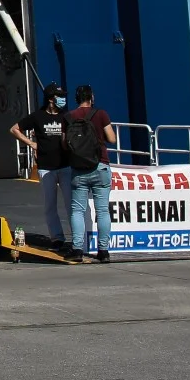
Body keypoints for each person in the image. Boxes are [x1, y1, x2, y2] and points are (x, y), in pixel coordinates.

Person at [10, 85, 73, 251]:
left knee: (71, 204)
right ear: (51, 99)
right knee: (50, 205)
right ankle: (57, 238)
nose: (63, 99)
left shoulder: (66, 116)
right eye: (59, 96)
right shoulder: (37, 116)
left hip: (66, 166)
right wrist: (31, 144)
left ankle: (78, 239)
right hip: (46, 168)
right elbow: (14, 129)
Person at [63, 85, 118, 263]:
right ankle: (103, 251)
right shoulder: (101, 114)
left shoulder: (68, 117)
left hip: (79, 169)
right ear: (91, 98)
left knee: (78, 210)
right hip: (100, 166)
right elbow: (112, 139)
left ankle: (77, 249)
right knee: (102, 211)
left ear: (76, 99)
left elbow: (64, 144)